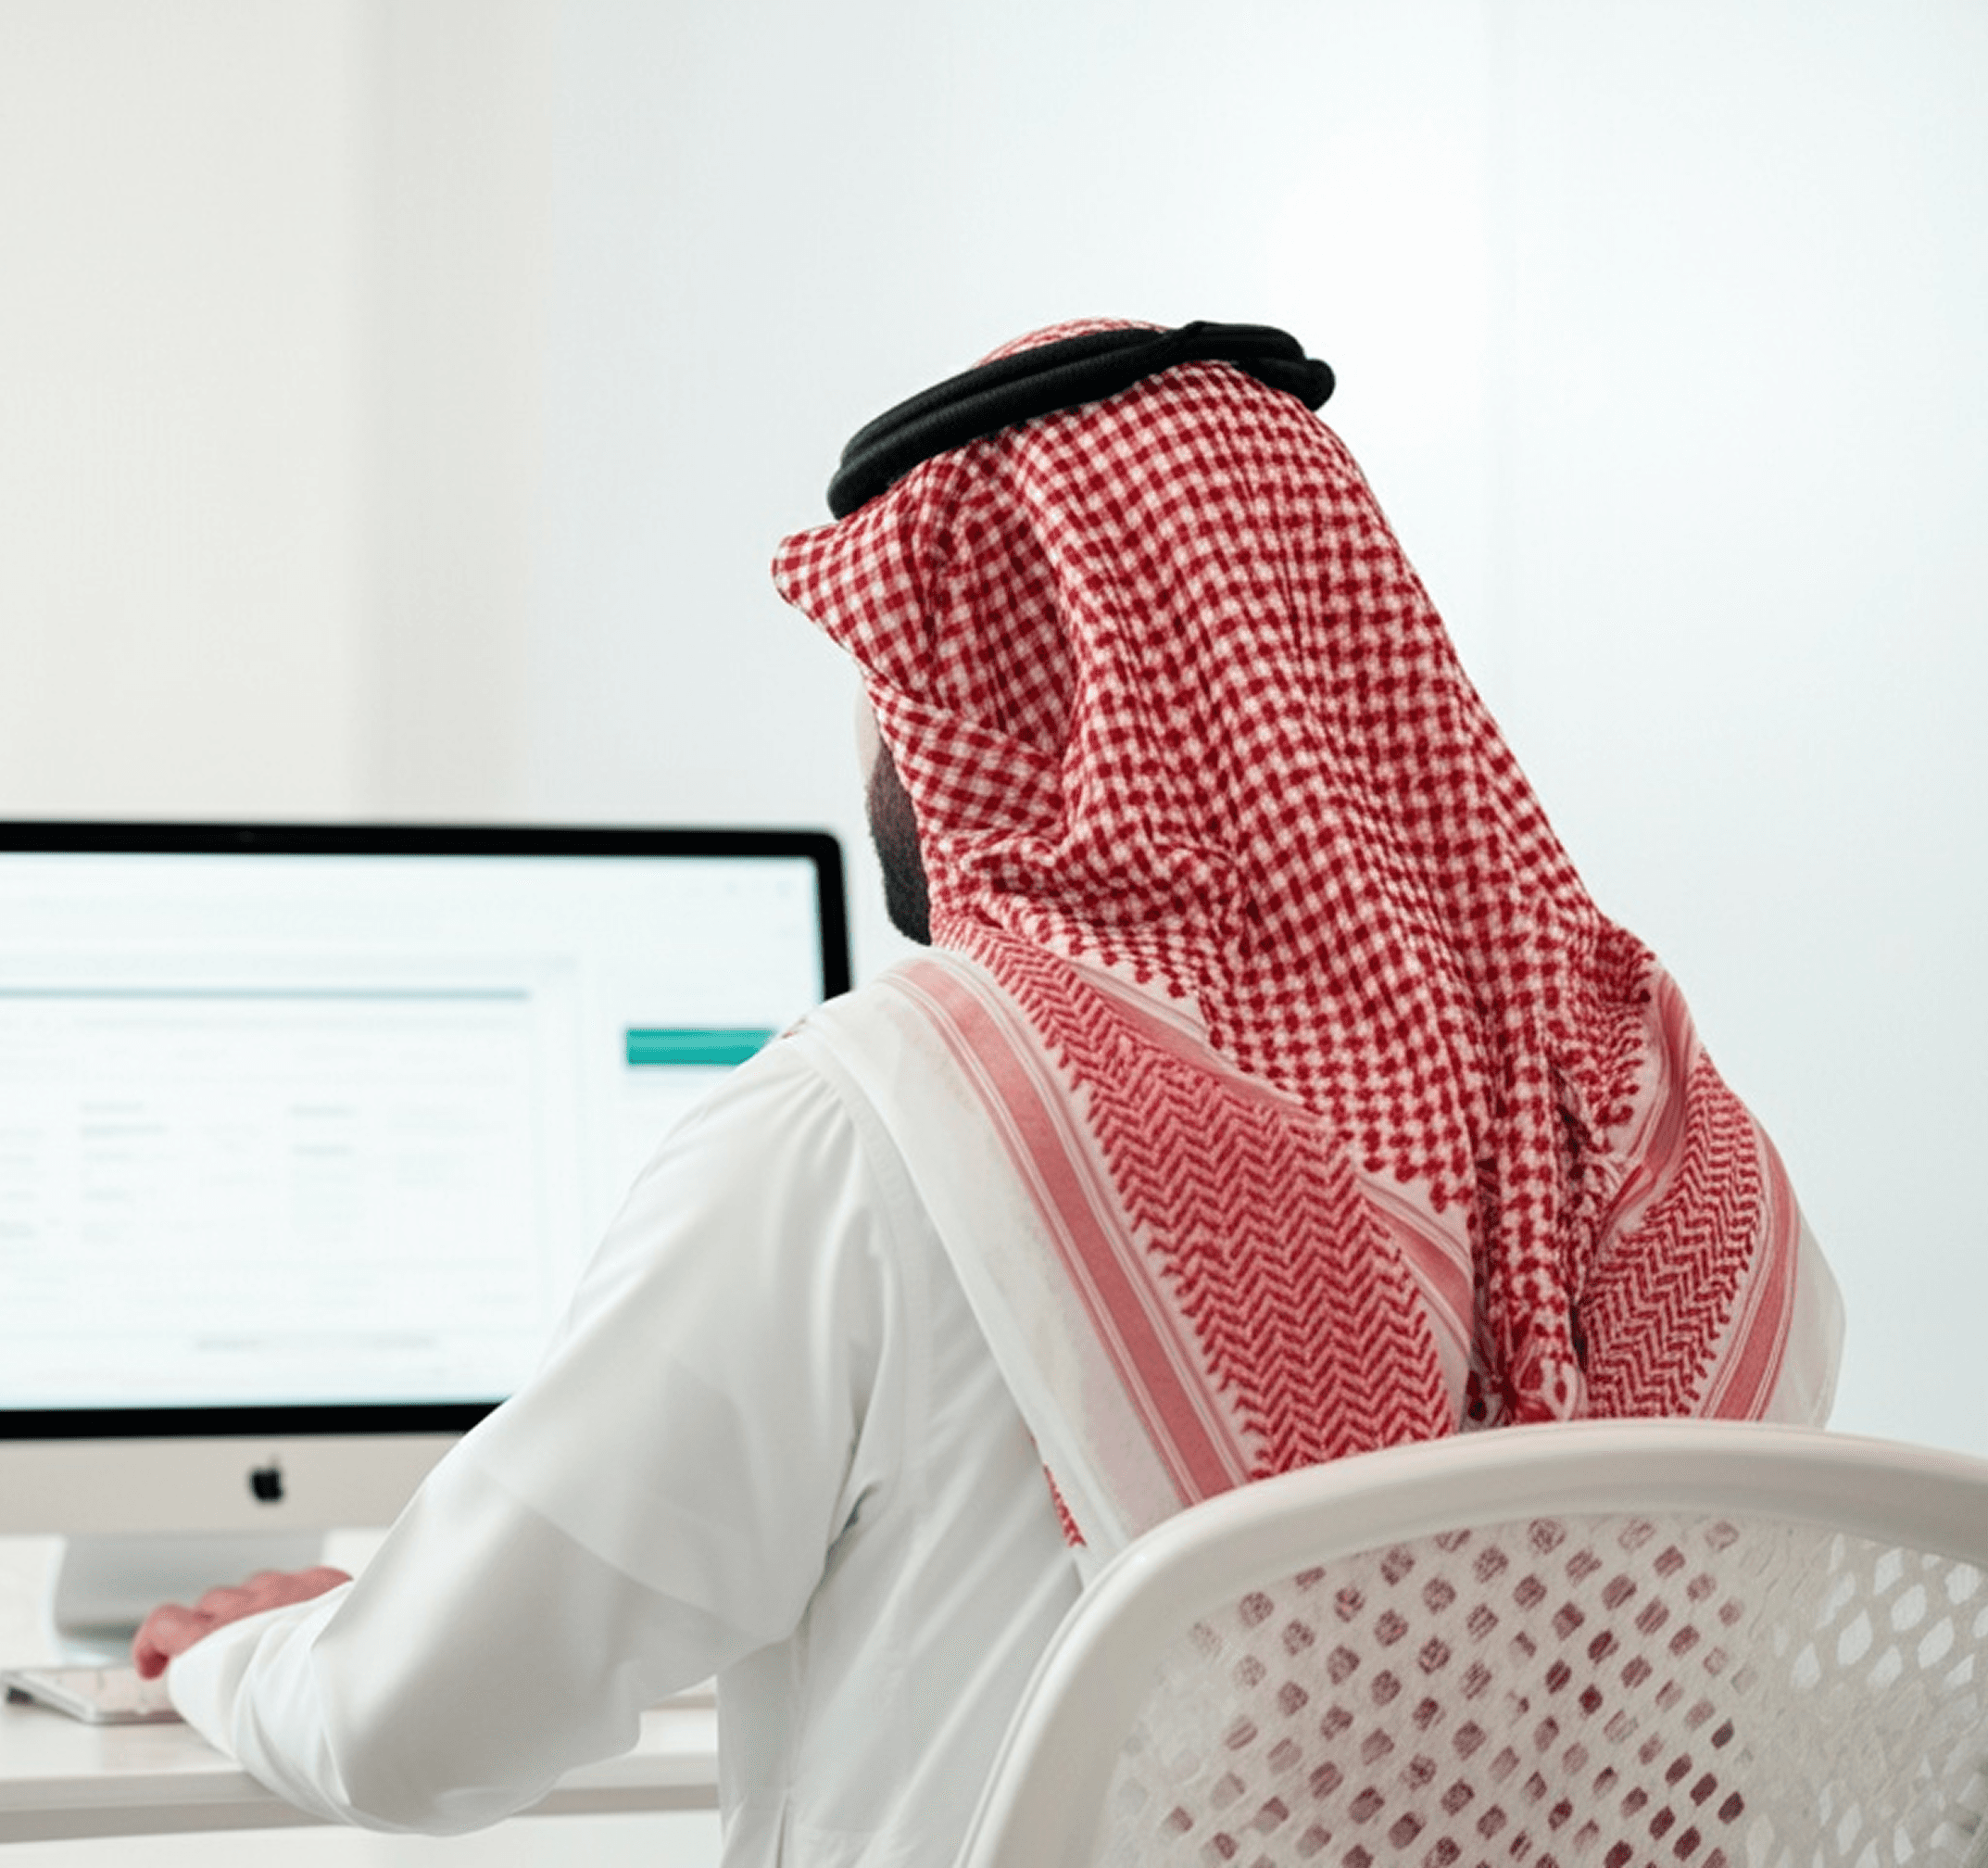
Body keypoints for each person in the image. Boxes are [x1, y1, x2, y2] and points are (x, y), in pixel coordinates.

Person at [130, 320, 1844, 1867]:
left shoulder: (891, 1124)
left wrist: (246, 1654)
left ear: (987, 696)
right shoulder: (1700, 1173)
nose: (878, 750)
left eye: (891, 684)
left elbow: (417, 1728)